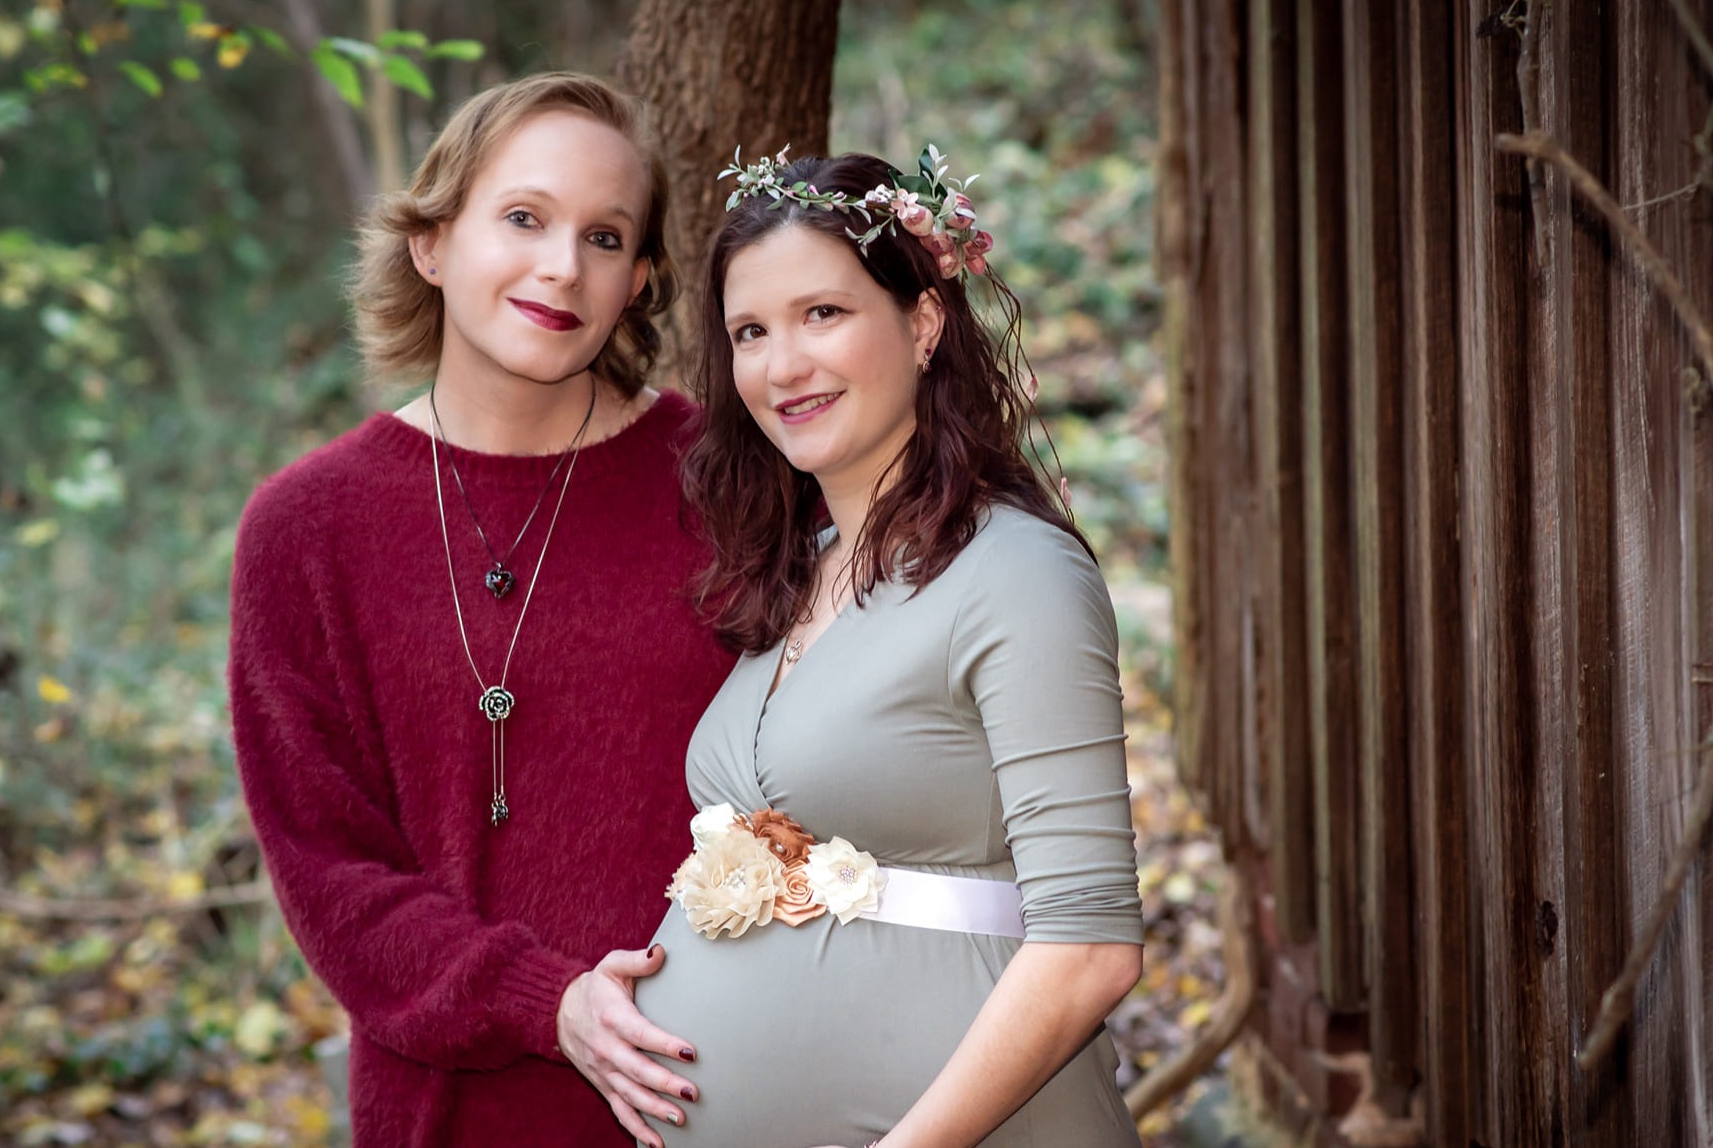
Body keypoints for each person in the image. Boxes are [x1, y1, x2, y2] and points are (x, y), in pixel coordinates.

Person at [226, 72, 732, 1146]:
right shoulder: (303, 529)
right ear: (431, 242)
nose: (563, 266)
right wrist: (546, 1002)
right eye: (523, 218)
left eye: (605, 237)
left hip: (728, 1094)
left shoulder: (730, 485)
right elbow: (329, 871)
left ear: (639, 280)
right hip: (446, 1115)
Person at [631, 147, 1146, 1147]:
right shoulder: (797, 572)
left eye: (822, 313)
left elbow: (1089, 947)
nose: (782, 365)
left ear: (922, 323)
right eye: (750, 331)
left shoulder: (1016, 574)